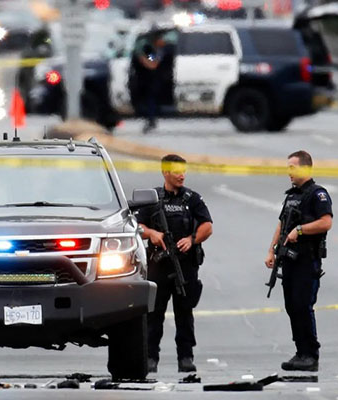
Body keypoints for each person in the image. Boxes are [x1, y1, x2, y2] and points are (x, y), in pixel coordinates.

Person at [136, 154, 213, 373]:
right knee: (153, 315)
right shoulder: (152, 198)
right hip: (158, 265)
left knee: (185, 313)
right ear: (165, 172)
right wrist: (152, 233)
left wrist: (191, 240)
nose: (182, 175)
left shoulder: (192, 199)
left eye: (184, 171)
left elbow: (207, 225)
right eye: (177, 171)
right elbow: (136, 226)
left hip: (185, 265)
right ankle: (150, 358)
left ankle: (186, 357)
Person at [265, 150, 333, 372]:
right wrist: (271, 250)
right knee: (292, 306)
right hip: (289, 260)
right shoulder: (292, 196)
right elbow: (281, 223)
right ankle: (300, 351)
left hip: (307, 260)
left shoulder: (318, 194)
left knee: (304, 306)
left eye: (293, 168)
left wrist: (300, 230)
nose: (289, 173)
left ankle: (310, 354)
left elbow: (325, 222)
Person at [132, 32, 167, 133]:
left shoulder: (156, 52)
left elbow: (153, 64)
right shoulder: (151, 51)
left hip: (154, 80)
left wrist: (141, 58)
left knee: (150, 100)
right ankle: (150, 119)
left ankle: (151, 120)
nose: (163, 42)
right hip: (149, 80)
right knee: (148, 100)